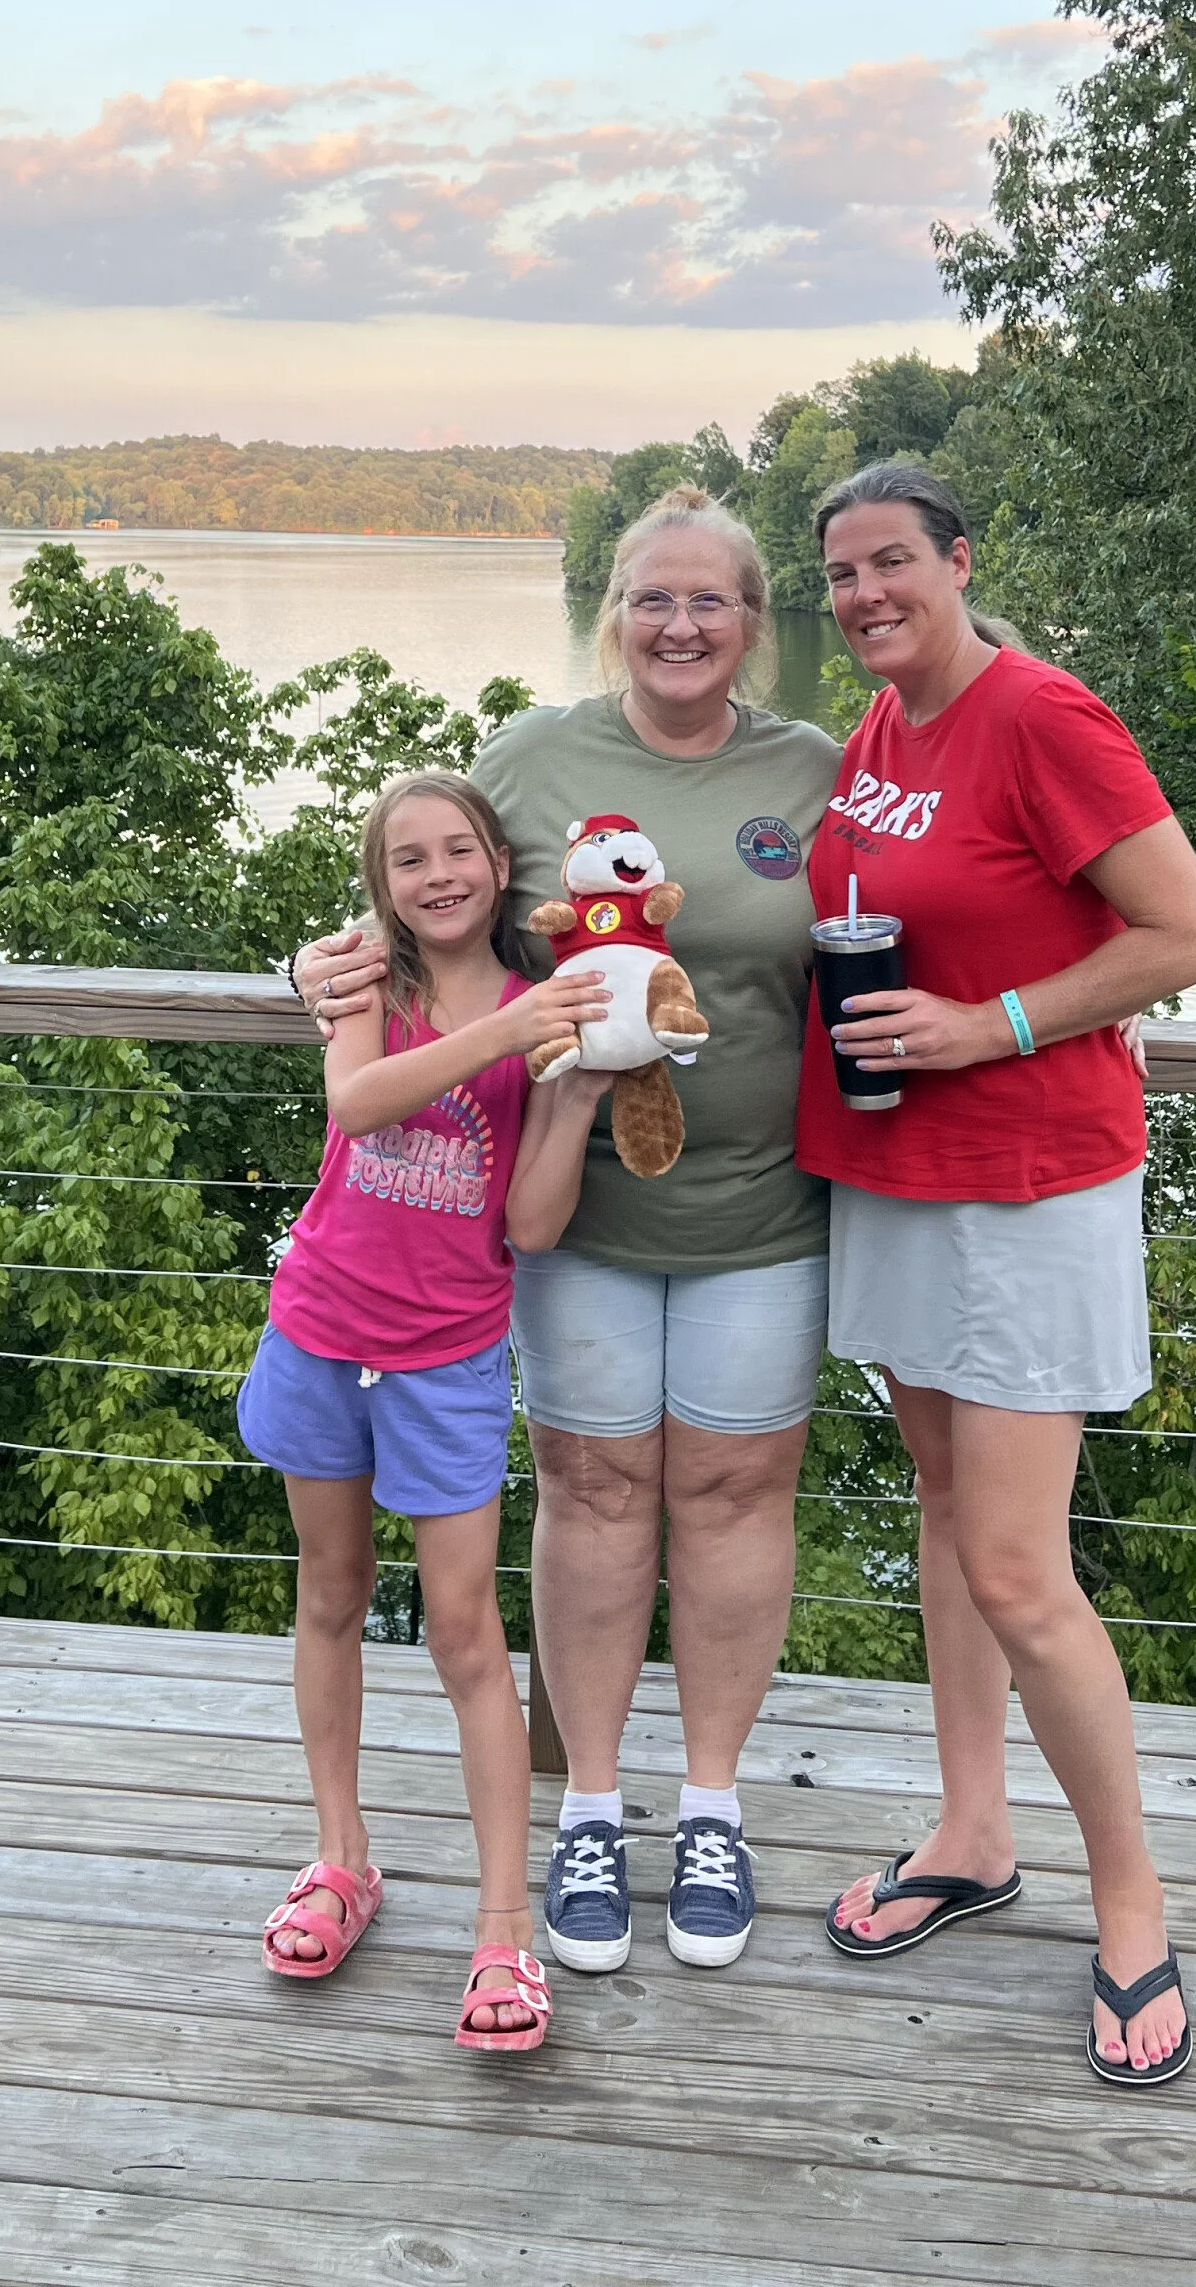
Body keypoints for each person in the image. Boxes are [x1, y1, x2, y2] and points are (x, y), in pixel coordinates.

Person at [292, 489, 840, 1976]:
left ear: (752, 620)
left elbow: (914, 922)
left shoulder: (817, 769)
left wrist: (1069, 1025)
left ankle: (712, 1806)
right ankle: (589, 1806)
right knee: (595, 1492)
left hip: (763, 1207)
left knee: (732, 1494)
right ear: (615, 613)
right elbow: (424, 907)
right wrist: (323, 967)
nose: (680, 626)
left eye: (710, 602)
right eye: (652, 600)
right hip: (565, 1212)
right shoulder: (531, 759)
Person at [801, 462, 1196, 2091]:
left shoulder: (1041, 714)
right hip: (902, 1175)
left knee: (1017, 1568)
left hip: (1029, 1186)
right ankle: (973, 1834)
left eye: (892, 562)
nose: (862, 595)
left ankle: (1133, 1902)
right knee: (943, 1514)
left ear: (958, 560)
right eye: (840, 572)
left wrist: (992, 1026)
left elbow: (1189, 934)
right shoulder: (881, 735)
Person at [240, 768, 611, 2053]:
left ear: (501, 865)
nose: (439, 873)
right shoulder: (364, 984)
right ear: (379, 882)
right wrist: (515, 1039)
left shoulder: (541, 1006)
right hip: (318, 1333)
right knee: (328, 1595)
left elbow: (530, 1225)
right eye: (409, 857)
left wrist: (568, 1096)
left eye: (461, 849)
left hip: (447, 1362)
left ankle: (505, 1925)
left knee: (465, 1634)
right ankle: (342, 1856)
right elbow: (355, 1101)